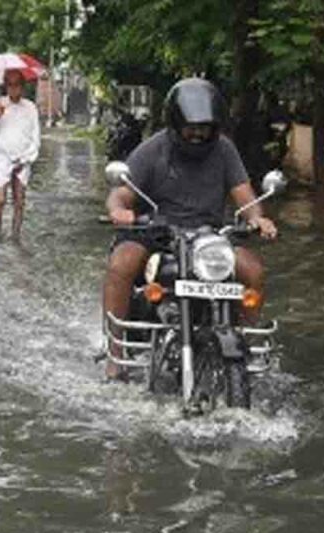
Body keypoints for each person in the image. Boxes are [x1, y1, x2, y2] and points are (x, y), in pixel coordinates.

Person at [102, 78, 278, 378]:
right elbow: (121, 193)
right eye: (191, 127)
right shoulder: (153, 149)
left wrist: (257, 218)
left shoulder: (224, 150)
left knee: (253, 270)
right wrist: (120, 211)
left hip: (209, 238)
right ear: (175, 123)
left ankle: (243, 346)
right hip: (157, 234)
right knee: (122, 262)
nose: (197, 134)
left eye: (205, 127)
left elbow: (244, 196)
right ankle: (115, 353)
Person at [0, 69, 41, 237]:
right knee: (0, 200)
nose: (14, 89)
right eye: (10, 85)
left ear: (22, 87)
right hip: (1, 157)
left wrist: (27, 158)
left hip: (23, 157)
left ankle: (16, 236)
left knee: (19, 201)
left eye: (17, 85)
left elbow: (35, 138)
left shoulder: (30, 108)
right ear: (6, 86)